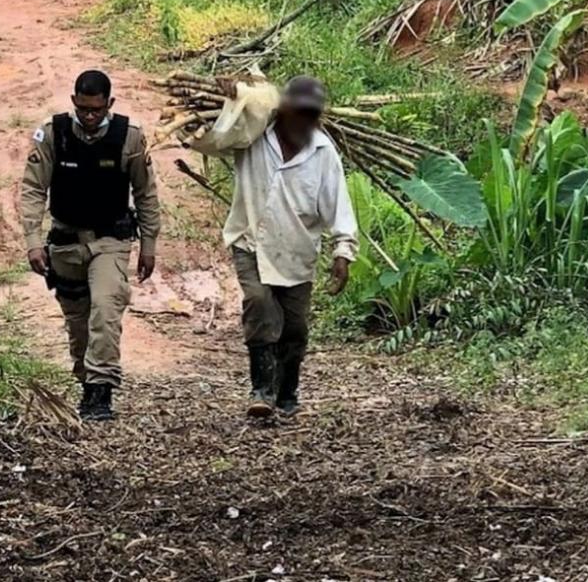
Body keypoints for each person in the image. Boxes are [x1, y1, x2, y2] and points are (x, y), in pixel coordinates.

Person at [194, 75, 357, 419]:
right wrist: (231, 103)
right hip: (249, 240)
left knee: (294, 329)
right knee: (259, 306)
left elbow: (338, 206)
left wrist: (343, 253)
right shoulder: (252, 136)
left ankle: (287, 391)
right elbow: (209, 140)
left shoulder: (324, 154)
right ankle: (261, 390)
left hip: (297, 251)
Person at [21, 70, 160, 421]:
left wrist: (149, 243)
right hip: (66, 242)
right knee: (78, 320)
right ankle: (86, 381)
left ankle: (101, 392)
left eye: (96, 110)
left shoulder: (129, 138)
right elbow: (33, 189)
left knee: (106, 308)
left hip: (110, 240)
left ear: (109, 104)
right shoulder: (54, 134)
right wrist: (33, 241)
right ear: (74, 102)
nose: (89, 116)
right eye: (83, 109)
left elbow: (146, 192)